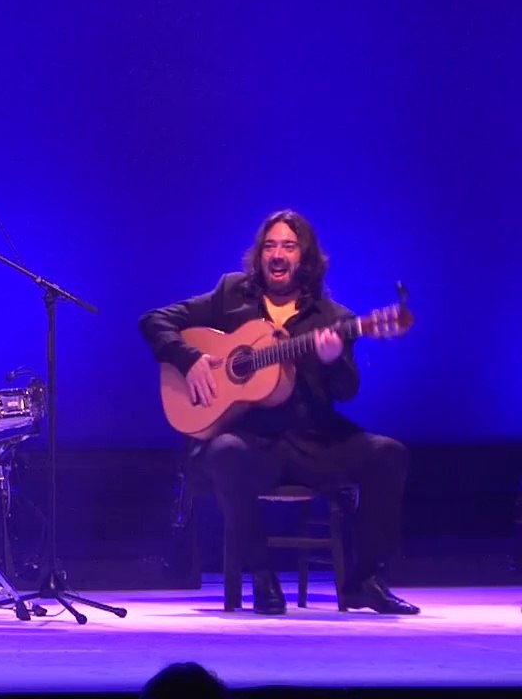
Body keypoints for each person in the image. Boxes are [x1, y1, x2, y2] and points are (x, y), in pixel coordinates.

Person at [138, 209, 419, 615]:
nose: (277, 254)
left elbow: (347, 390)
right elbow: (154, 320)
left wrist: (333, 359)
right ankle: (263, 578)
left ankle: (364, 581)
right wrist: (188, 359)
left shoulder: (332, 318)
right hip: (254, 445)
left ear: (304, 258)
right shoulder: (232, 294)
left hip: (314, 443)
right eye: (270, 246)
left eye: (288, 246)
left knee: (389, 453)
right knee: (224, 452)